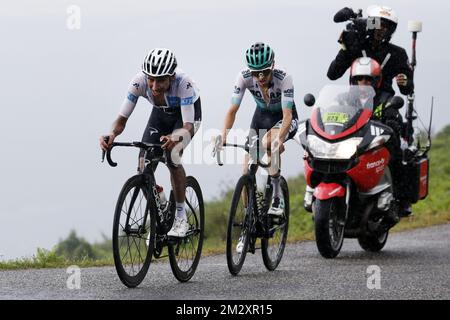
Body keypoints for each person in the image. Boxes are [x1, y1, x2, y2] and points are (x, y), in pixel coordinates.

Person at [99, 48, 202, 237]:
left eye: (161, 80)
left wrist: (175, 137)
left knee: (172, 157)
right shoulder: (138, 82)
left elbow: (188, 126)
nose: (154, 86)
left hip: (186, 119)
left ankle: (181, 218)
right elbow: (121, 121)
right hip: (161, 115)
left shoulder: (184, 84)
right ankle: (159, 205)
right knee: (143, 165)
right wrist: (112, 134)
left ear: (171, 77)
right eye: (151, 79)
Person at [221, 42, 299, 218]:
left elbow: (287, 115)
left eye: (264, 71)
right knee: (246, 171)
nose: (261, 77)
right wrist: (223, 135)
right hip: (261, 117)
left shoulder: (284, 78)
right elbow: (232, 110)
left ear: (272, 65)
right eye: (256, 73)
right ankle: (249, 222)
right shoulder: (243, 77)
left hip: (285, 117)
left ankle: (277, 196)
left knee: (269, 143)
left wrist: (280, 138)